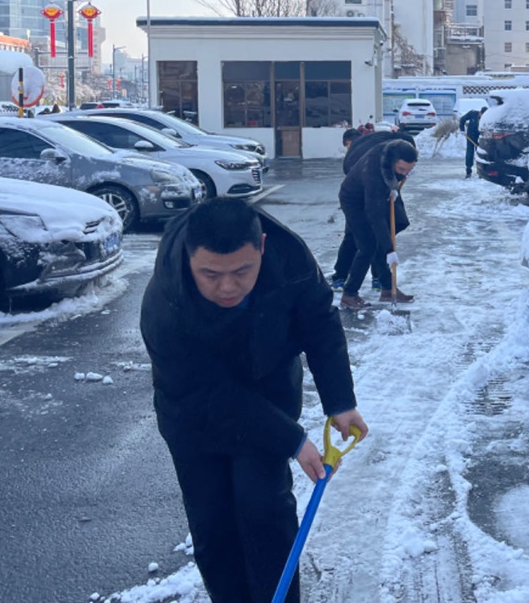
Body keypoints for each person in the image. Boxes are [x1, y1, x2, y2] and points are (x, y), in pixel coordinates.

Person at [140, 198, 368, 603]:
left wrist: (340, 401)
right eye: (210, 274)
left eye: (242, 271)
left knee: (265, 510)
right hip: (192, 414)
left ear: (262, 246)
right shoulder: (164, 304)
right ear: (190, 257)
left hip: (268, 391)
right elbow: (207, 391)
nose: (227, 287)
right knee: (213, 523)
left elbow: (319, 323)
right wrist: (292, 439)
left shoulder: (290, 257)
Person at [331, 128, 414, 303]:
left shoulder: (393, 152)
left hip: (372, 195)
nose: (404, 174)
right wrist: (389, 249)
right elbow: (375, 215)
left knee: (375, 243)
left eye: (408, 170)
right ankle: (349, 294)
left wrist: (392, 187)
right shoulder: (374, 171)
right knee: (367, 245)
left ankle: (388, 289)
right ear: (393, 162)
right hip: (354, 201)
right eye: (401, 169)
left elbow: (396, 173)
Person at [458, 105, 488, 179]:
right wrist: (462, 130)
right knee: (470, 153)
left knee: (480, 154)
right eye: (482, 115)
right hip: (470, 136)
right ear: (480, 112)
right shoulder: (472, 113)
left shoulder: (487, 118)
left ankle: (480, 172)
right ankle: (468, 171)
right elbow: (462, 119)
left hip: (480, 137)